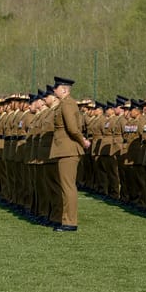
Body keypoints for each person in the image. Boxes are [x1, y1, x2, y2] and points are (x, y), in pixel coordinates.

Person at [49, 76, 91, 232]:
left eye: (57, 88)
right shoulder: (64, 104)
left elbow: (73, 129)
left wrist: (83, 141)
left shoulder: (67, 104)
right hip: (64, 149)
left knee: (68, 187)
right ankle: (65, 219)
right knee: (65, 186)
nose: (54, 90)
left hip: (68, 149)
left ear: (64, 89)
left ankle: (70, 222)